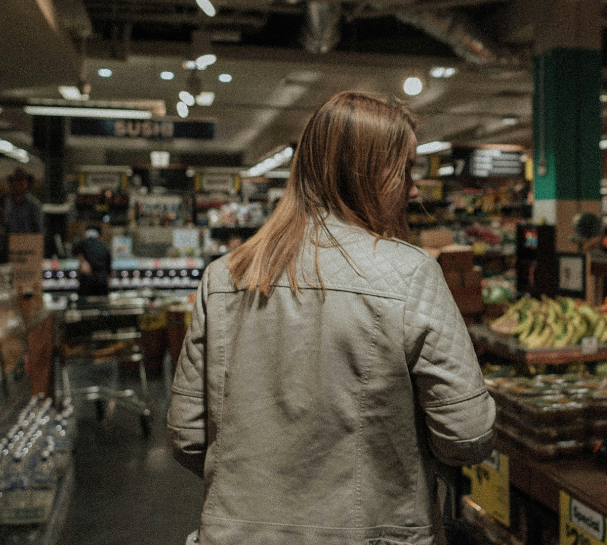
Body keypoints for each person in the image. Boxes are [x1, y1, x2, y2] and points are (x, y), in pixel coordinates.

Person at [168, 92, 495, 545]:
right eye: (407, 171)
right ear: (364, 175)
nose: (415, 189)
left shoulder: (225, 276)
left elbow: (187, 436)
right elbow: (468, 436)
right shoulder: (409, 272)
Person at [71, 225, 111, 297]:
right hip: (101, 279)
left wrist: (83, 262)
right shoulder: (103, 245)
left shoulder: (82, 242)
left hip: (88, 279)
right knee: (101, 303)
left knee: (85, 303)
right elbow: (108, 265)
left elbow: (74, 251)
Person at [3, 168, 43, 234]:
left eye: (22, 181)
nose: (18, 184)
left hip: (28, 242)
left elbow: (39, 230)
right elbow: (7, 225)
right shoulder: (8, 202)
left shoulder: (34, 204)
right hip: (12, 241)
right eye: (16, 180)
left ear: (27, 183)